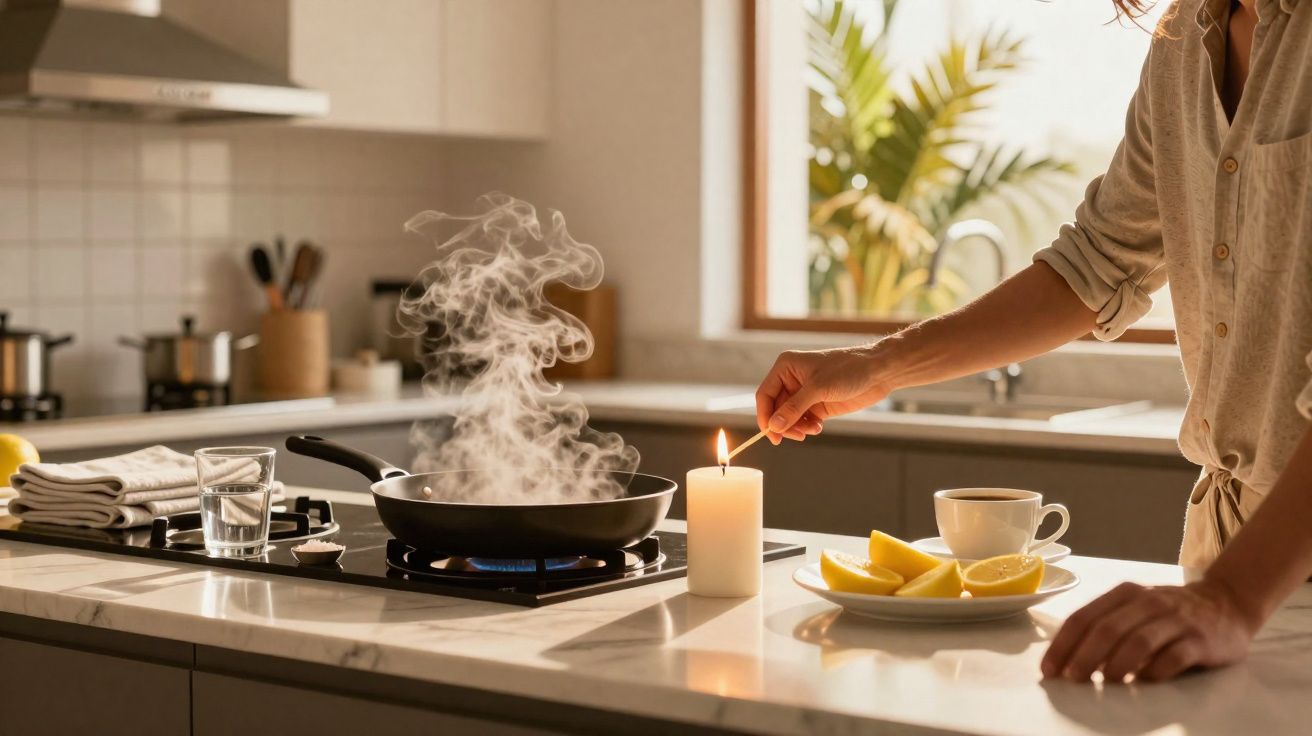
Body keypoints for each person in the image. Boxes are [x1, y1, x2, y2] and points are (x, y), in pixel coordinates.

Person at [755, 0, 1311, 683]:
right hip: (1223, 560)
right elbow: (1096, 262)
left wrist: (1232, 595)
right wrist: (878, 366)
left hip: (1258, 573)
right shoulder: (1182, 44)